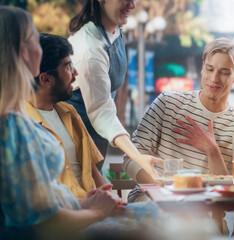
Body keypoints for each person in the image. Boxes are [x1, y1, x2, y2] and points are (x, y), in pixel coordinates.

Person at [0, 6, 165, 239]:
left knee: (161, 215)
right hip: (71, 223)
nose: (75, 72)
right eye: (32, 38)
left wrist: (94, 203)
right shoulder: (13, 127)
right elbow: (43, 222)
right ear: (22, 53)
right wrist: (97, 211)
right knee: (172, 224)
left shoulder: (60, 113)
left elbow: (63, 191)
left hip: (81, 209)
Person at [123, 37, 234, 201]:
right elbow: (131, 159)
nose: (214, 78)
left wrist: (212, 150)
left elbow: (232, 192)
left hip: (205, 212)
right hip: (153, 201)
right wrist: (163, 194)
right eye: (210, 69)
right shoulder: (168, 103)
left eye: (224, 72)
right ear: (202, 68)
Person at [66, 0, 161, 176]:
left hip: (98, 139)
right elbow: (102, 112)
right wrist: (138, 157)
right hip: (77, 141)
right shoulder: (89, 48)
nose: (132, 5)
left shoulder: (115, 29)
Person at [27, 33, 106, 198]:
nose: (75, 73)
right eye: (68, 66)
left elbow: (92, 171)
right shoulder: (20, 124)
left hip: (94, 211)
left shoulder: (69, 112)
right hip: (65, 215)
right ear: (46, 80)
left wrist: (113, 201)